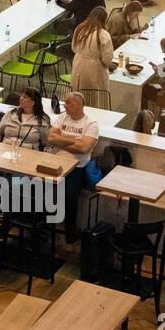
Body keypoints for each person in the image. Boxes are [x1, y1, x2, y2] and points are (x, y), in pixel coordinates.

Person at [46, 91, 101, 241]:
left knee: (70, 197)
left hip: (77, 166)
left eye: (68, 102)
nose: (64, 105)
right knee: (40, 190)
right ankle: (44, 229)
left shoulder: (91, 124)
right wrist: (73, 140)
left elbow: (84, 148)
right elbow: (51, 138)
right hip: (56, 162)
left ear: (79, 104)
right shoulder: (62, 117)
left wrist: (62, 140)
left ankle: (70, 230)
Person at [70, 6, 115, 96]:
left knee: (78, 93)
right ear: (104, 20)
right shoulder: (103, 34)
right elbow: (107, 58)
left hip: (78, 63)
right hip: (94, 68)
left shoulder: (80, 28)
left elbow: (74, 48)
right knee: (93, 96)